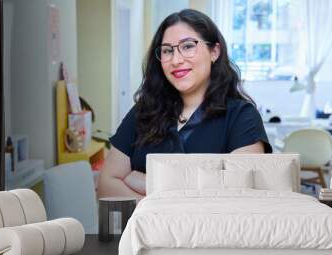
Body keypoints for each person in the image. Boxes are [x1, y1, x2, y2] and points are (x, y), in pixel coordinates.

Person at [97, 9, 272, 200]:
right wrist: (159, 209)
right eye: (167, 50)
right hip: (146, 230)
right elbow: (106, 185)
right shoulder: (144, 111)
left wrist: (148, 183)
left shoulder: (242, 117)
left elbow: (238, 196)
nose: (176, 60)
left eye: (188, 46)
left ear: (214, 51)